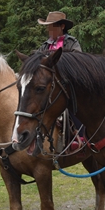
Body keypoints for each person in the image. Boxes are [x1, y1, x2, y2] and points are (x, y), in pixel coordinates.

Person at [36, 11, 83, 151]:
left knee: (75, 106)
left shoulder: (72, 43)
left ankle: (80, 137)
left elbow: (78, 62)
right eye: (48, 27)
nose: (49, 30)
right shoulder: (44, 46)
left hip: (67, 85)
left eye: (52, 26)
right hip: (48, 86)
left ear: (62, 26)